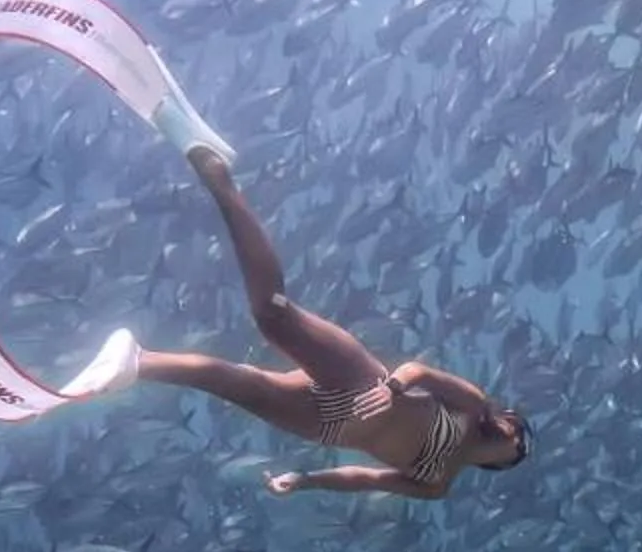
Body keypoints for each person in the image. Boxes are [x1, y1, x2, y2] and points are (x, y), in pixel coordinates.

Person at [65, 144, 532, 501]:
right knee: (274, 317)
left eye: (518, 451)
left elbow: (363, 478)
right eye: (518, 434)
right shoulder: (473, 406)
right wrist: (391, 388)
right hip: (366, 382)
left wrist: (306, 480)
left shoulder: (437, 485)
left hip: (328, 426)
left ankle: (139, 362)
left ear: (503, 466)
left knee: (237, 385)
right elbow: (421, 373)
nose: (515, 440)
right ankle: (222, 184)